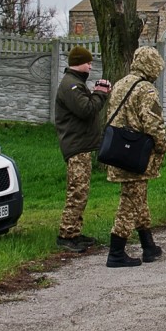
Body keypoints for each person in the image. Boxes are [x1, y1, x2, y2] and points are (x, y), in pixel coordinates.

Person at [104, 46, 166, 268]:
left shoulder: (121, 84)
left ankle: (148, 245)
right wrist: (162, 145)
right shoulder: (146, 90)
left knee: (138, 198)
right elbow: (153, 123)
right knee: (130, 202)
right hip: (136, 153)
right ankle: (116, 251)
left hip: (118, 149)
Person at [53, 46, 111, 252]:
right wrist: (100, 94)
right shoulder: (71, 86)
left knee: (82, 191)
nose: (90, 65)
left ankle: (75, 232)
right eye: (88, 62)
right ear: (79, 62)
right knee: (77, 191)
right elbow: (86, 109)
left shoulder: (76, 84)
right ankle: (66, 235)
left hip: (81, 145)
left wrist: (96, 93)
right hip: (76, 146)